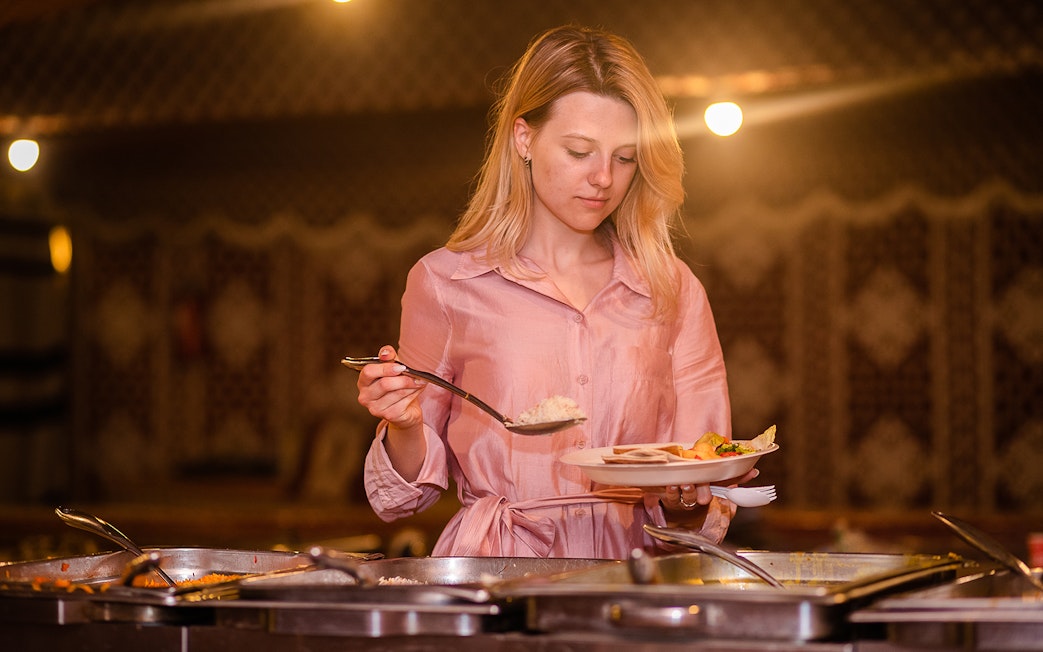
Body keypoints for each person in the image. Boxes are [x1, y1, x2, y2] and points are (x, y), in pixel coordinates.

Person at [354, 24, 754, 559]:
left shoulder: (672, 289)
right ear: (524, 138)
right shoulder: (446, 283)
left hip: (632, 577)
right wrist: (403, 424)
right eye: (579, 151)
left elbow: (704, 473)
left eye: (625, 157)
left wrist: (695, 491)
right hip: (499, 572)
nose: (603, 178)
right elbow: (401, 500)